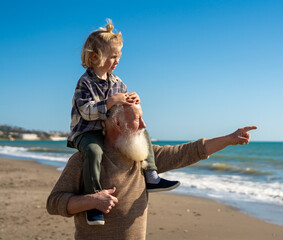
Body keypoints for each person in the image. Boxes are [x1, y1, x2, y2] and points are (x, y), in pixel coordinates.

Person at [47, 104, 258, 240]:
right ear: (117, 123)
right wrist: (91, 201)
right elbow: (54, 202)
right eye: (138, 119)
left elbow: (188, 151)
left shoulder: (142, 156)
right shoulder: (85, 159)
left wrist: (229, 139)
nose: (144, 125)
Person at [67, 19, 179, 225]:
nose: (117, 60)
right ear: (95, 57)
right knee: (94, 152)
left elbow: (124, 109)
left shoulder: (118, 82)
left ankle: (151, 175)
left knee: (141, 130)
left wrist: (132, 99)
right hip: (86, 131)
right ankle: (94, 200)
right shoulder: (85, 82)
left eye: (119, 56)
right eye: (113, 56)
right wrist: (110, 102)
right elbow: (86, 111)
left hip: (109, 129)